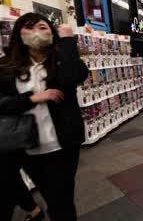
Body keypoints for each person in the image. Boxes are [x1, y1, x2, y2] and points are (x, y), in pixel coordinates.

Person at [0, 13, 89, 220]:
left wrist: (67, 41)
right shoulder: (6, 67)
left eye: (42, 27)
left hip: (63, 145)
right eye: (29, 28)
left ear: (52, 31)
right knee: (52, 198)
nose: (36, 33)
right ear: (18, 34)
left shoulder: (61, 58)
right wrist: (32, 98)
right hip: (26, 147)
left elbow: (74, 76)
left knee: (62, 202)